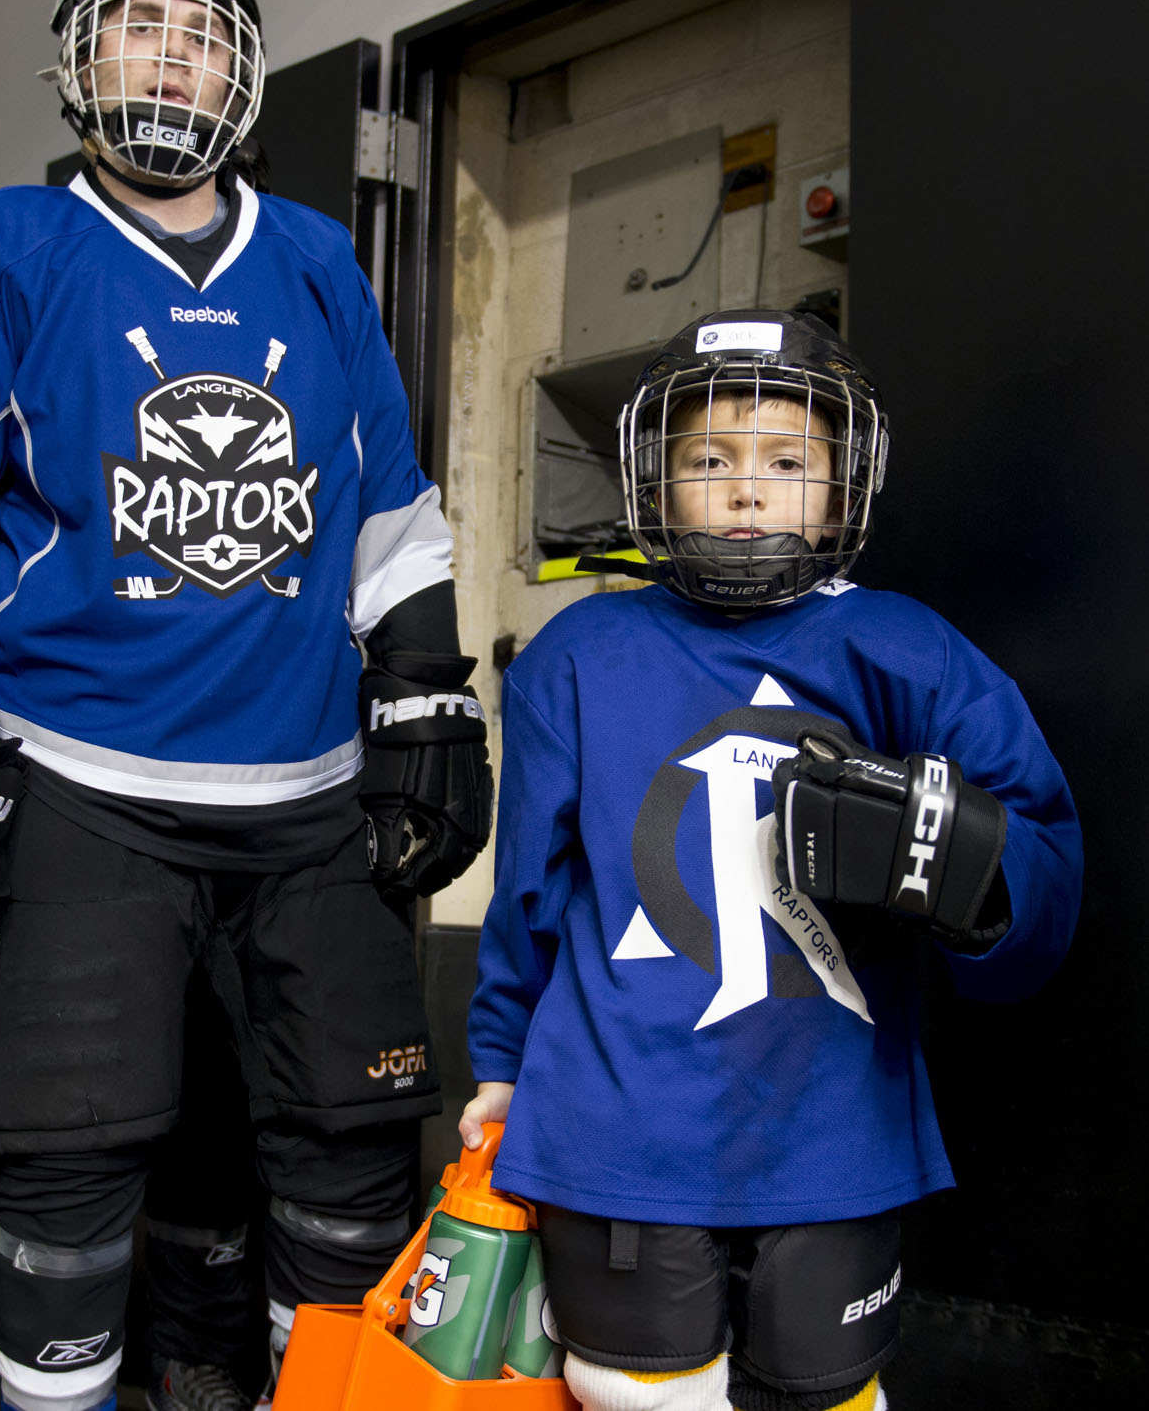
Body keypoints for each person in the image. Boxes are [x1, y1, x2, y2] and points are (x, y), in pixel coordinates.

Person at [0, 0, 490, 1411]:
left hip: (308, 791)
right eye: (138, 33)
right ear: (80, 66)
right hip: (82, 783)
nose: (170, 56)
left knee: (349, 1154)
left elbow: (389, 508)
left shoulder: (317, 258)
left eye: (199, 33)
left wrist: (426, 699)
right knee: (68, 1166)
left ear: (241, 74)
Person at [461, 309, 1083, 1411]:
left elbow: (1041, 861)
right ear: (655, 480)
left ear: (845, 487)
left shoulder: (910, 648)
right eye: (710, 459)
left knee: (825, 1393)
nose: (748, 490)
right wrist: (502, 1068)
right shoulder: (576, 655)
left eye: (789, 461)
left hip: (830, 1125)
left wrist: (979, 883)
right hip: (619, 1123)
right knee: (633, 1391)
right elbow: (528, 898)